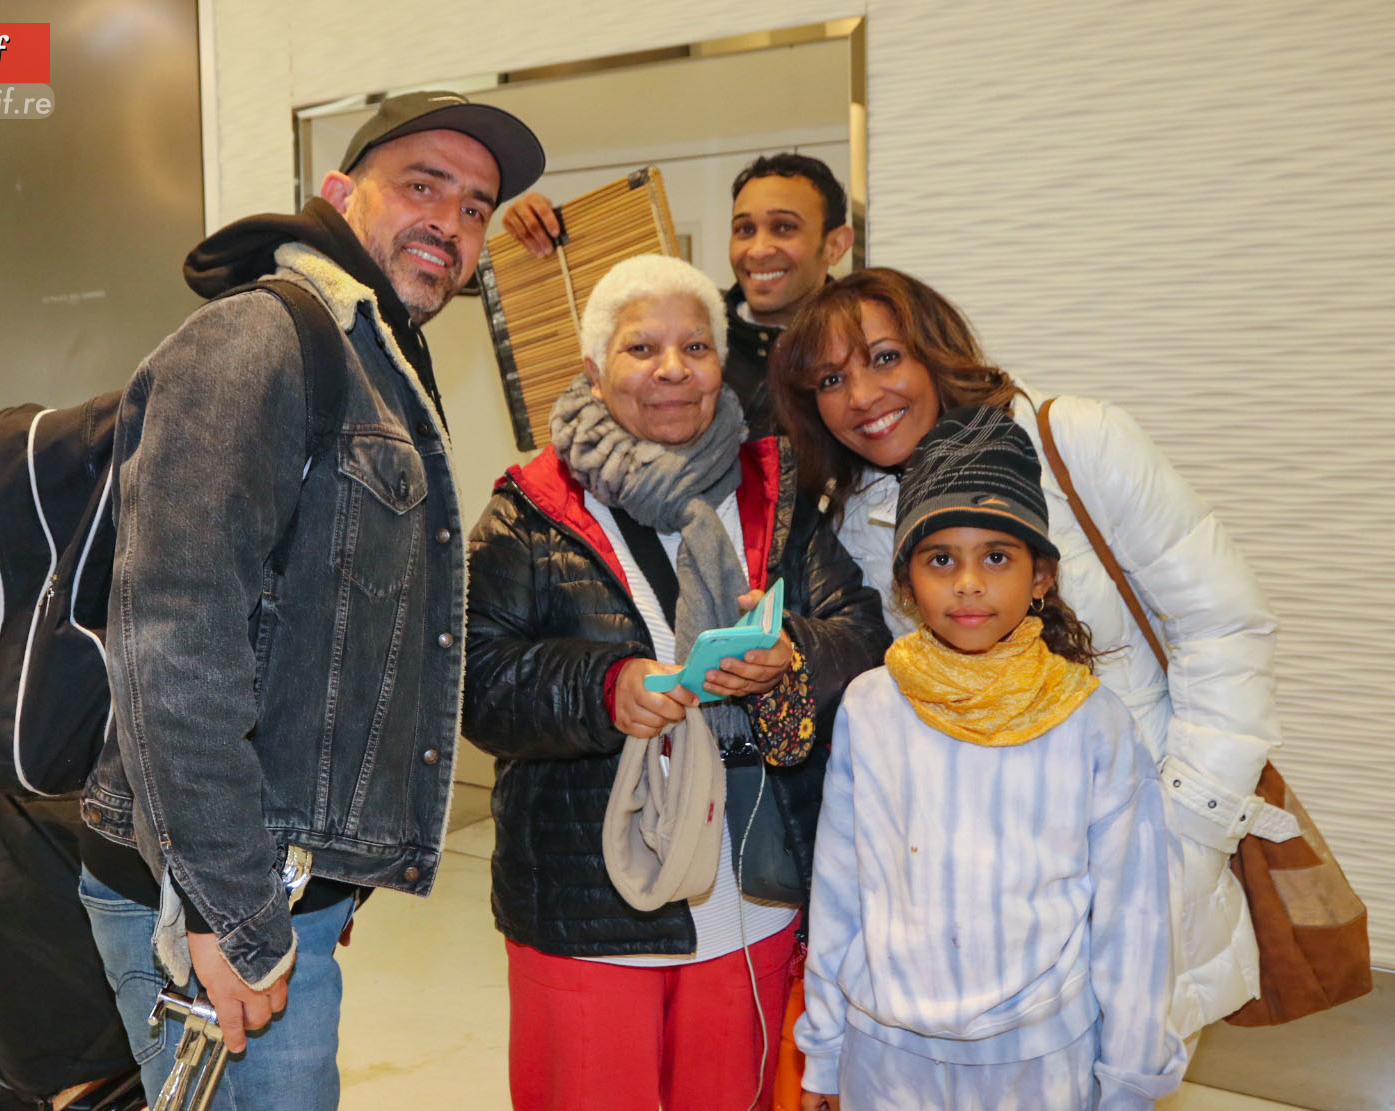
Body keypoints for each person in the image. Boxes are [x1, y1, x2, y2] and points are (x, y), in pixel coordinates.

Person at [76, 91, 545, 1110]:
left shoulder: (376, 363)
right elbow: (172, 642)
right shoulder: (259, 341)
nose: (452, 222)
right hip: (208, 890)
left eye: (475, 208)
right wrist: (230, 912)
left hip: (278, 885)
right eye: (423, 185)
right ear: (336, 195)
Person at [768, 268, 1283, 1040]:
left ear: (934, 351)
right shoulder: (855, 517)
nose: (861, 396)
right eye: (831, 379)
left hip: (1134, 846)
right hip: (980, 902)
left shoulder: (1074, 439)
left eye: (883, 357)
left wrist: (1186, 828)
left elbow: (1223, 626)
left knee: (1117, 1065)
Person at [463, 254, 889, 1110]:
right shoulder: (530, 507)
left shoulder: (776, 489)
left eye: (694, 346)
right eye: (640, 347)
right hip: (591, 899)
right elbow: (475, 675)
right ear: (593, 370)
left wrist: (791, 657)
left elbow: (862, 629)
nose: (670, 369)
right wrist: (605, 686)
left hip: (751, 891)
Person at [795, 406, 1188, 1110]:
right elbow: (839, 886)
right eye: (941, 558)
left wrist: (1129, 1081)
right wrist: (824, 1049)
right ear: (907, 583)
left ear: (1040, 575)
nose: (968, 582)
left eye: (996, 557)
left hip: (1040, 1059)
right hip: (886, 1057)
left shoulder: (1093, 721)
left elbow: (1133, 918)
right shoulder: (870, 707)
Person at [502, 153, 853, 435]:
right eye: (744, 229)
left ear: (835, 246)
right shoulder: (689, 335)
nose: (759, 249)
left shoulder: (860, 349)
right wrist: (536, 233)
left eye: (784, 227)